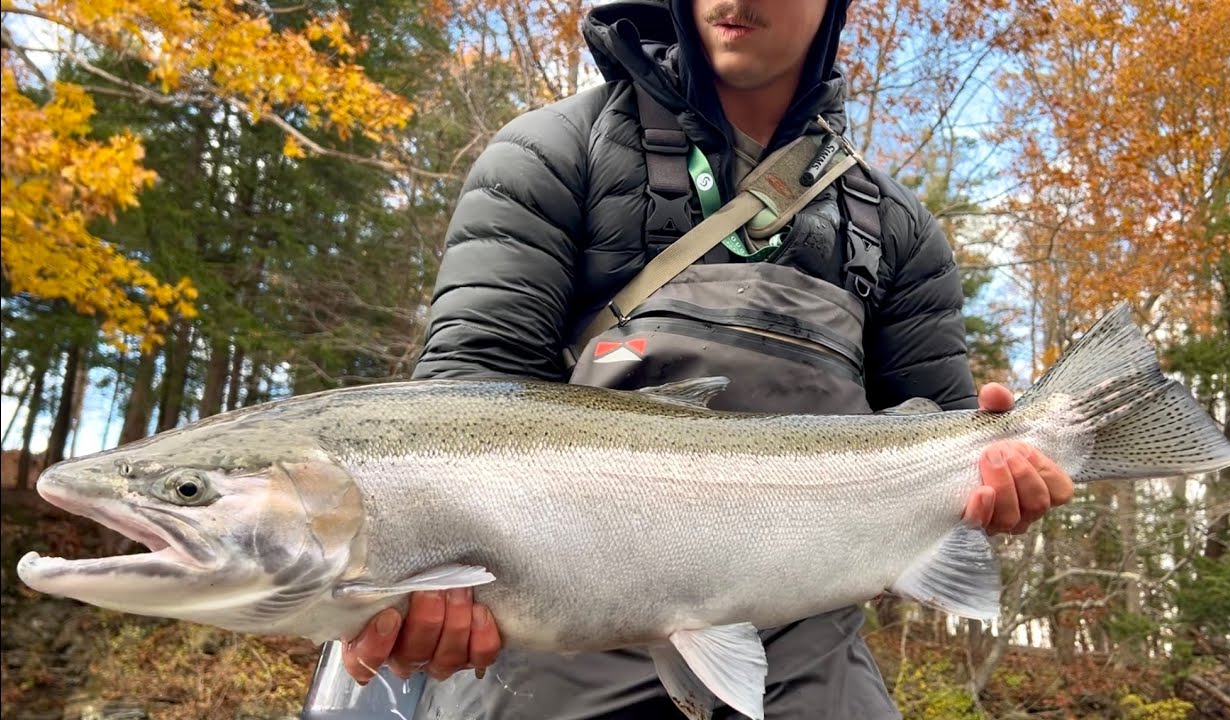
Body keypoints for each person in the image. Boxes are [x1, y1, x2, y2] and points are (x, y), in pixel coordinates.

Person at [339, 1, 1074, 717]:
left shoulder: (897, 230)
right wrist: (428, 575)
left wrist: (997, 481)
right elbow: (463, 406)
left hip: (810, 660)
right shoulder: (552, 152)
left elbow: (943, 445)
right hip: (551, 656)